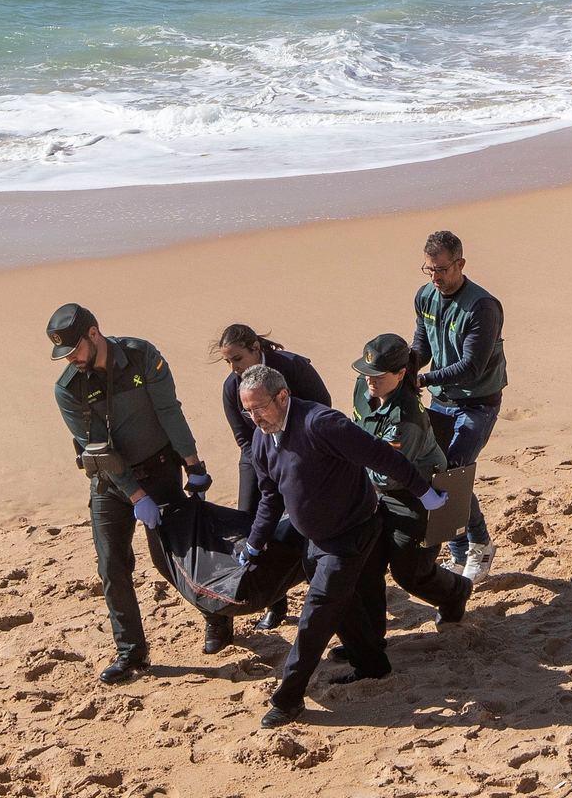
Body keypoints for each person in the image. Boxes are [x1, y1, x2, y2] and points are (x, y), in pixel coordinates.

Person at [236, 363, 448, 728]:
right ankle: (372, 665)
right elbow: (270, 494)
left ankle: (288, 699)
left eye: (260, 408)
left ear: (283, 396)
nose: (254, 418)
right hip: (313, 538)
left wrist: (424, 492)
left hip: (352, 533)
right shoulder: (261, 438)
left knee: (316, 615)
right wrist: (255, 543)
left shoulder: (321, 424)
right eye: (248, 410)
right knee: (343, 602)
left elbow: (382, 456)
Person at [47, 303, 224, 684]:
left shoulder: (142, 356)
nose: (71, 360)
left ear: (94, 334)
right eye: (63, 354)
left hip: (160, 469)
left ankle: (216, 616)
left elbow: (169, 411)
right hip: (110, 481)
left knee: (173, 558)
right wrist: (135, 495)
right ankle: (131, 652)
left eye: (74, 350)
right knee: (111, 564)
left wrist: (193, 466)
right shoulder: (68, 389)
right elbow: (98, 449)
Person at [349, 332, 472, 634]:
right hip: (373, 494)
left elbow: (387, 476)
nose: (370, 382)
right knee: (366, 567)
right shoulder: (364, 388)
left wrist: (349, 464)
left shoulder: (405, 418)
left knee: (411, 574)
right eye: (366, 374)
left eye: (378, 376)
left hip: (414, 498)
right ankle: (369, 641)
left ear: (401, 373)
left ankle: (456, 591)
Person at [211, 324, 331, 629]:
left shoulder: (292, 367)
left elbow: (323, 405)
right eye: (228, 362)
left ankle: (322, 578)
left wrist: (292, 458)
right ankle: (274, 603)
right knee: (251, 523)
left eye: (237, 359)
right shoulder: (231, 388)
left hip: (304, 451)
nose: (233, 368)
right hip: (258, 456)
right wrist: (269, 469)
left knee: (310, 515)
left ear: (255, 348)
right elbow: (243, 438)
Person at [408, 229, 508, 581]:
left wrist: (423, 380)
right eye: (429, 270)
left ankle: (479, 547)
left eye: (442, 270)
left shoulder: (482, 307)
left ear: (460, 264)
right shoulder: (425, 297)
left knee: (453, 474)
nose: (435, 277)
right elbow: (421, 347)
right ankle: (457, 552)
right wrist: (402, 372)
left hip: (477, 403)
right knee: (433, 470)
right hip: (442, 400)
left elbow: (471, 367)